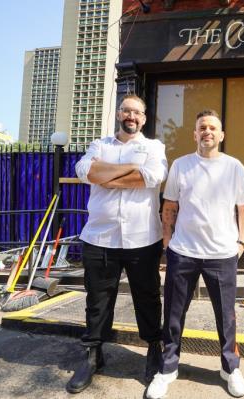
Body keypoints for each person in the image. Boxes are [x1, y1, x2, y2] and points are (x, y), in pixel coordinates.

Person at [146, 110, 244, 399]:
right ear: (194, 134)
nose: (207, 131)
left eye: (212, 128)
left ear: (221, 135)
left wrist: (241, 243)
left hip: (222, 253)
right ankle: (168, 368)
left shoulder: (234, 167)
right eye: (202, 128)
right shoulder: (181, 165)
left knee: (226, 317)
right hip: (183, 252)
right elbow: (169, 205)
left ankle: (230, 369)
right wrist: (168, 242)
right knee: (174, 314)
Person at [68, 94, 167, 393]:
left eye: (137, 112)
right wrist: (130, 170)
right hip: (100, 236)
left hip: (142, 238)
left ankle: (154, 350)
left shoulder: (154, 147)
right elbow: (85, 171)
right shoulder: (100, 145)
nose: (131, 116)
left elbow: (153, 177)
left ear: (144, 118)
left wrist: (106, 175)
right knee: (97, 298)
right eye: (126, 110)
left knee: (147, 296)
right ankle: (93, 355)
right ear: (119, 113)